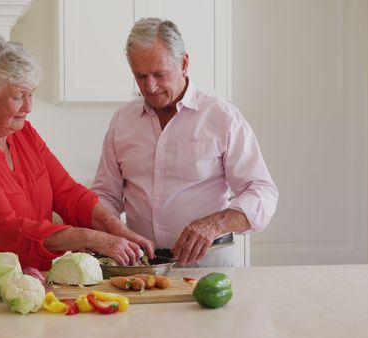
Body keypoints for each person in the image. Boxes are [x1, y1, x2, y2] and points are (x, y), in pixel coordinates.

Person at [0, 35, 153, 271]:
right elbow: (8, 229)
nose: (28, 107)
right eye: (19, 96)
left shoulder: (24, 134)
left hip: (28, 280)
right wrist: (90, 238)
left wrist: (115, 227)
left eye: (31, 95)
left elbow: (67, 193)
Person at [91, 18, 279, 267]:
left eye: (159, 74)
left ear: (184, 63)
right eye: (140, 76)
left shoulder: (221, 117)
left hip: (207, 265)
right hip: (141, 268)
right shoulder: (122, 121)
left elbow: (262, 191)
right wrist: (112, 235)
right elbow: (105, 195)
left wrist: (215, 224)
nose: (150, 86)